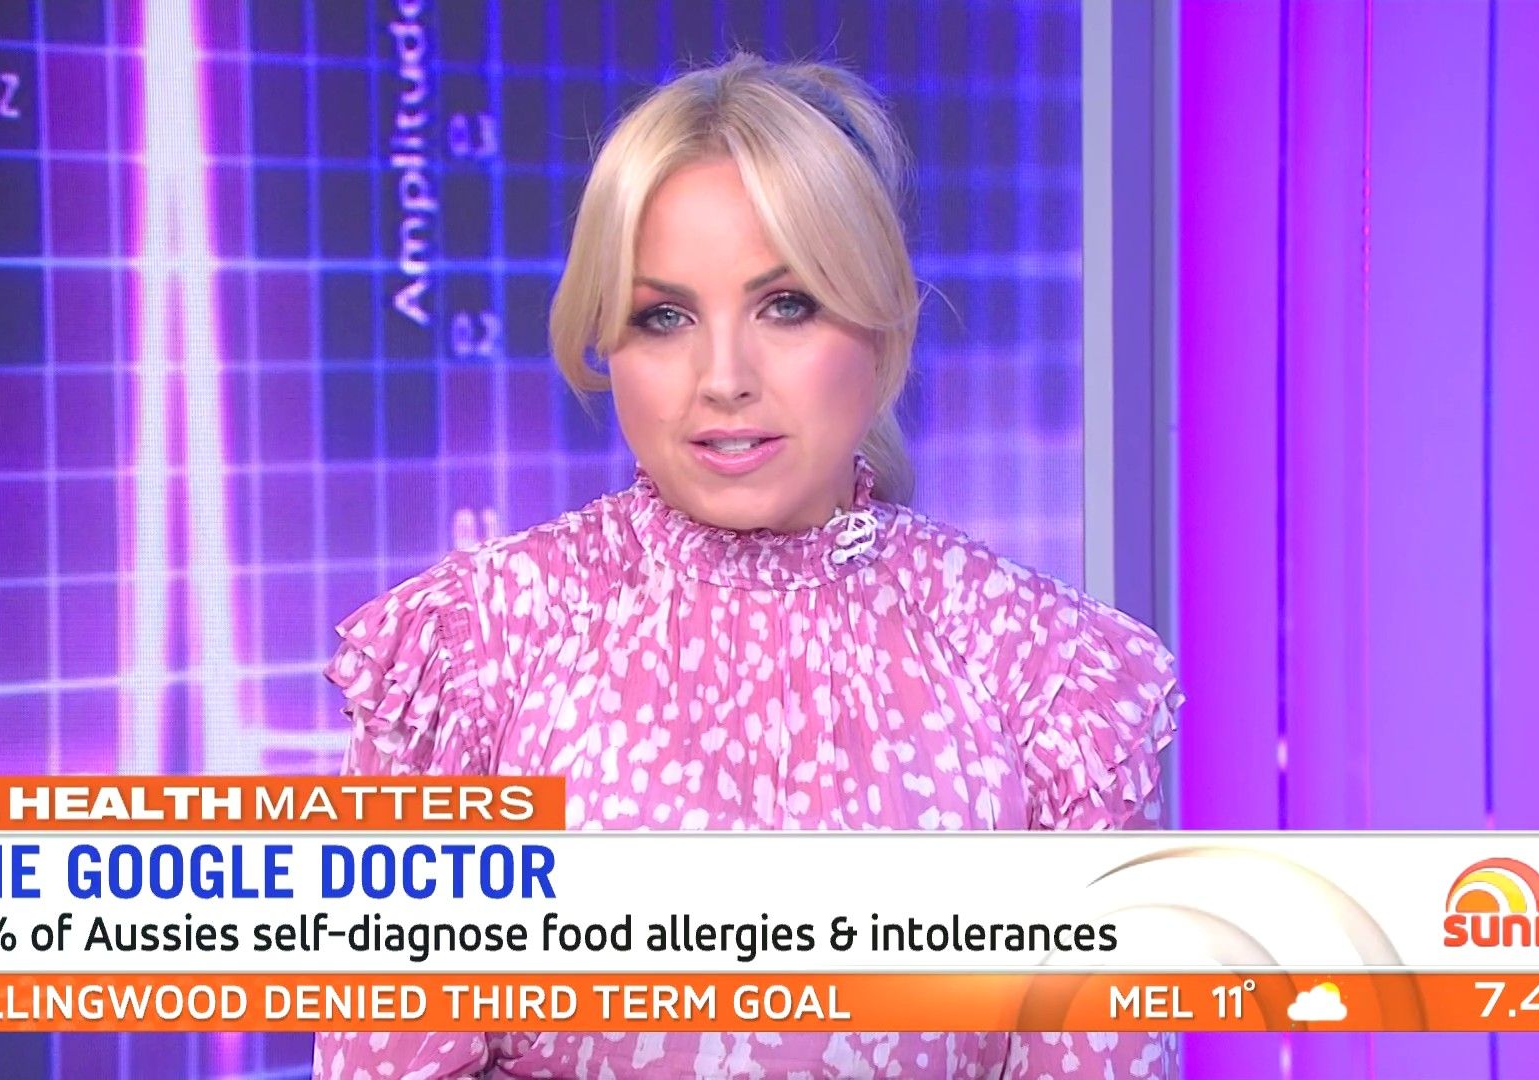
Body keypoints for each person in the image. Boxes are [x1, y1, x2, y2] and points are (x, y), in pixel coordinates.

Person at [314, 52, 1181, 1080]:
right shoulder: (470, 655)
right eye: (664, 316)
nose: (723, 378)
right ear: (607, 344)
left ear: (882, 328)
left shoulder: (1046, 677)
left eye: (787, 305)